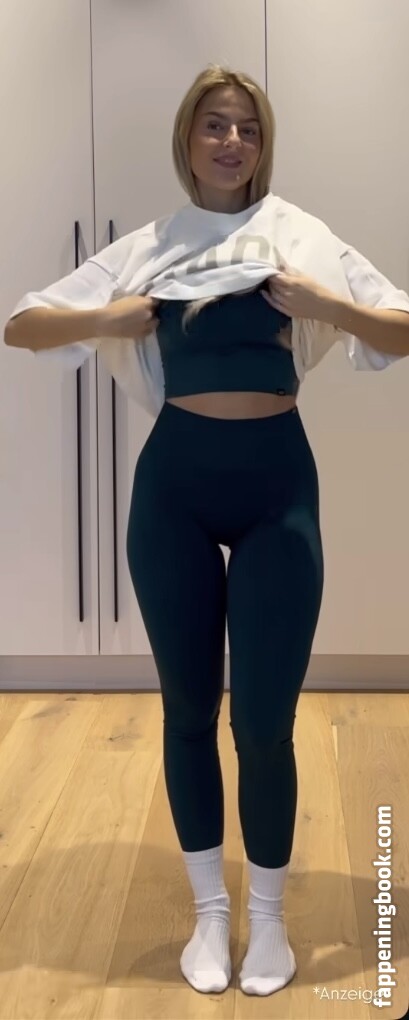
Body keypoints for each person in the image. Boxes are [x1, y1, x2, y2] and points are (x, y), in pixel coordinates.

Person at [5, 66, 409, 1000]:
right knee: (186, 711)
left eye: (248, 129)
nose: (232, 142)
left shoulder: (298, 234)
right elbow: (22, 326)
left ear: (264, 147)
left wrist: (323, 306)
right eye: (215, 126)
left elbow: (398, 327)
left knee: (263, 724)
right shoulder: (153, 245)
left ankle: (267, 921)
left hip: (276, 494)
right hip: (173, 495)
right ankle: (210, 916)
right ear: (187, 140)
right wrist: (110, 315)